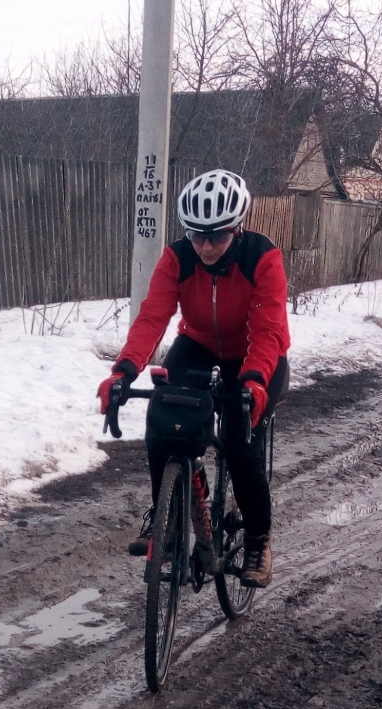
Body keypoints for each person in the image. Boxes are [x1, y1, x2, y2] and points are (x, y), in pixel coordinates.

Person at [97, 169, 290, 588]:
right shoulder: (177, 258)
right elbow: (152, 318)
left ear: (236, 229)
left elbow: (268, 330)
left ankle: (258, 540)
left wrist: (255, 381)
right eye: (196, 235)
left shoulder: (262, 258)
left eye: (216, 236)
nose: (204, 246)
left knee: (240, 445)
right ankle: (164, 516)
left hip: (256, 355)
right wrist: (124, 370)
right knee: (163, 418)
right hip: (198, 344)